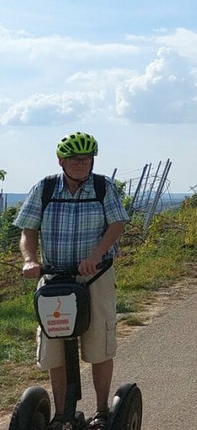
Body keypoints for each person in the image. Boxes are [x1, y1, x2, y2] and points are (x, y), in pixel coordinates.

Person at [14, 132, 130, 430]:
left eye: (86, 159)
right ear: (61, 161)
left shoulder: (103, 187)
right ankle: (63, 414)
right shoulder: (46, 187)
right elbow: (28, 229)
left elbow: (116, 224)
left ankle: (102, 412)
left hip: (95, 276)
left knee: (98, 345)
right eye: (74, 159)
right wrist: (30, 260)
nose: (80, 164)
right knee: (54, 348)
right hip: (53, 278)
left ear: (92, 160)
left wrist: (96, 255)